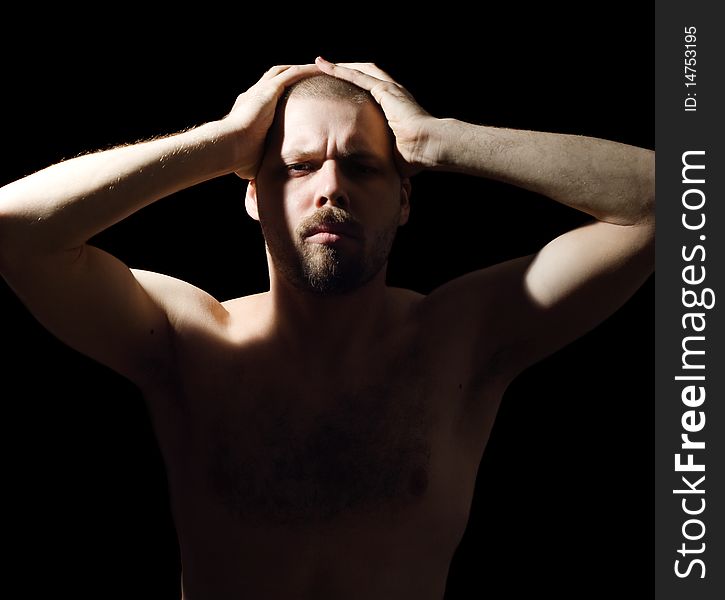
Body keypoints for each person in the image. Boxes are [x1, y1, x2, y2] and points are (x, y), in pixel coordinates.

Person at [0, 57, 655, 599]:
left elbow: (677, 199)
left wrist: (437, 139)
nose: (330, 188)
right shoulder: (187, 338)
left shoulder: (461, 338)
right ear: (254, 195)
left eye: (363, 167)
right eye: (298, 165)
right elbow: (13, 233)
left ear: (404, 198)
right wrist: (223, 142)